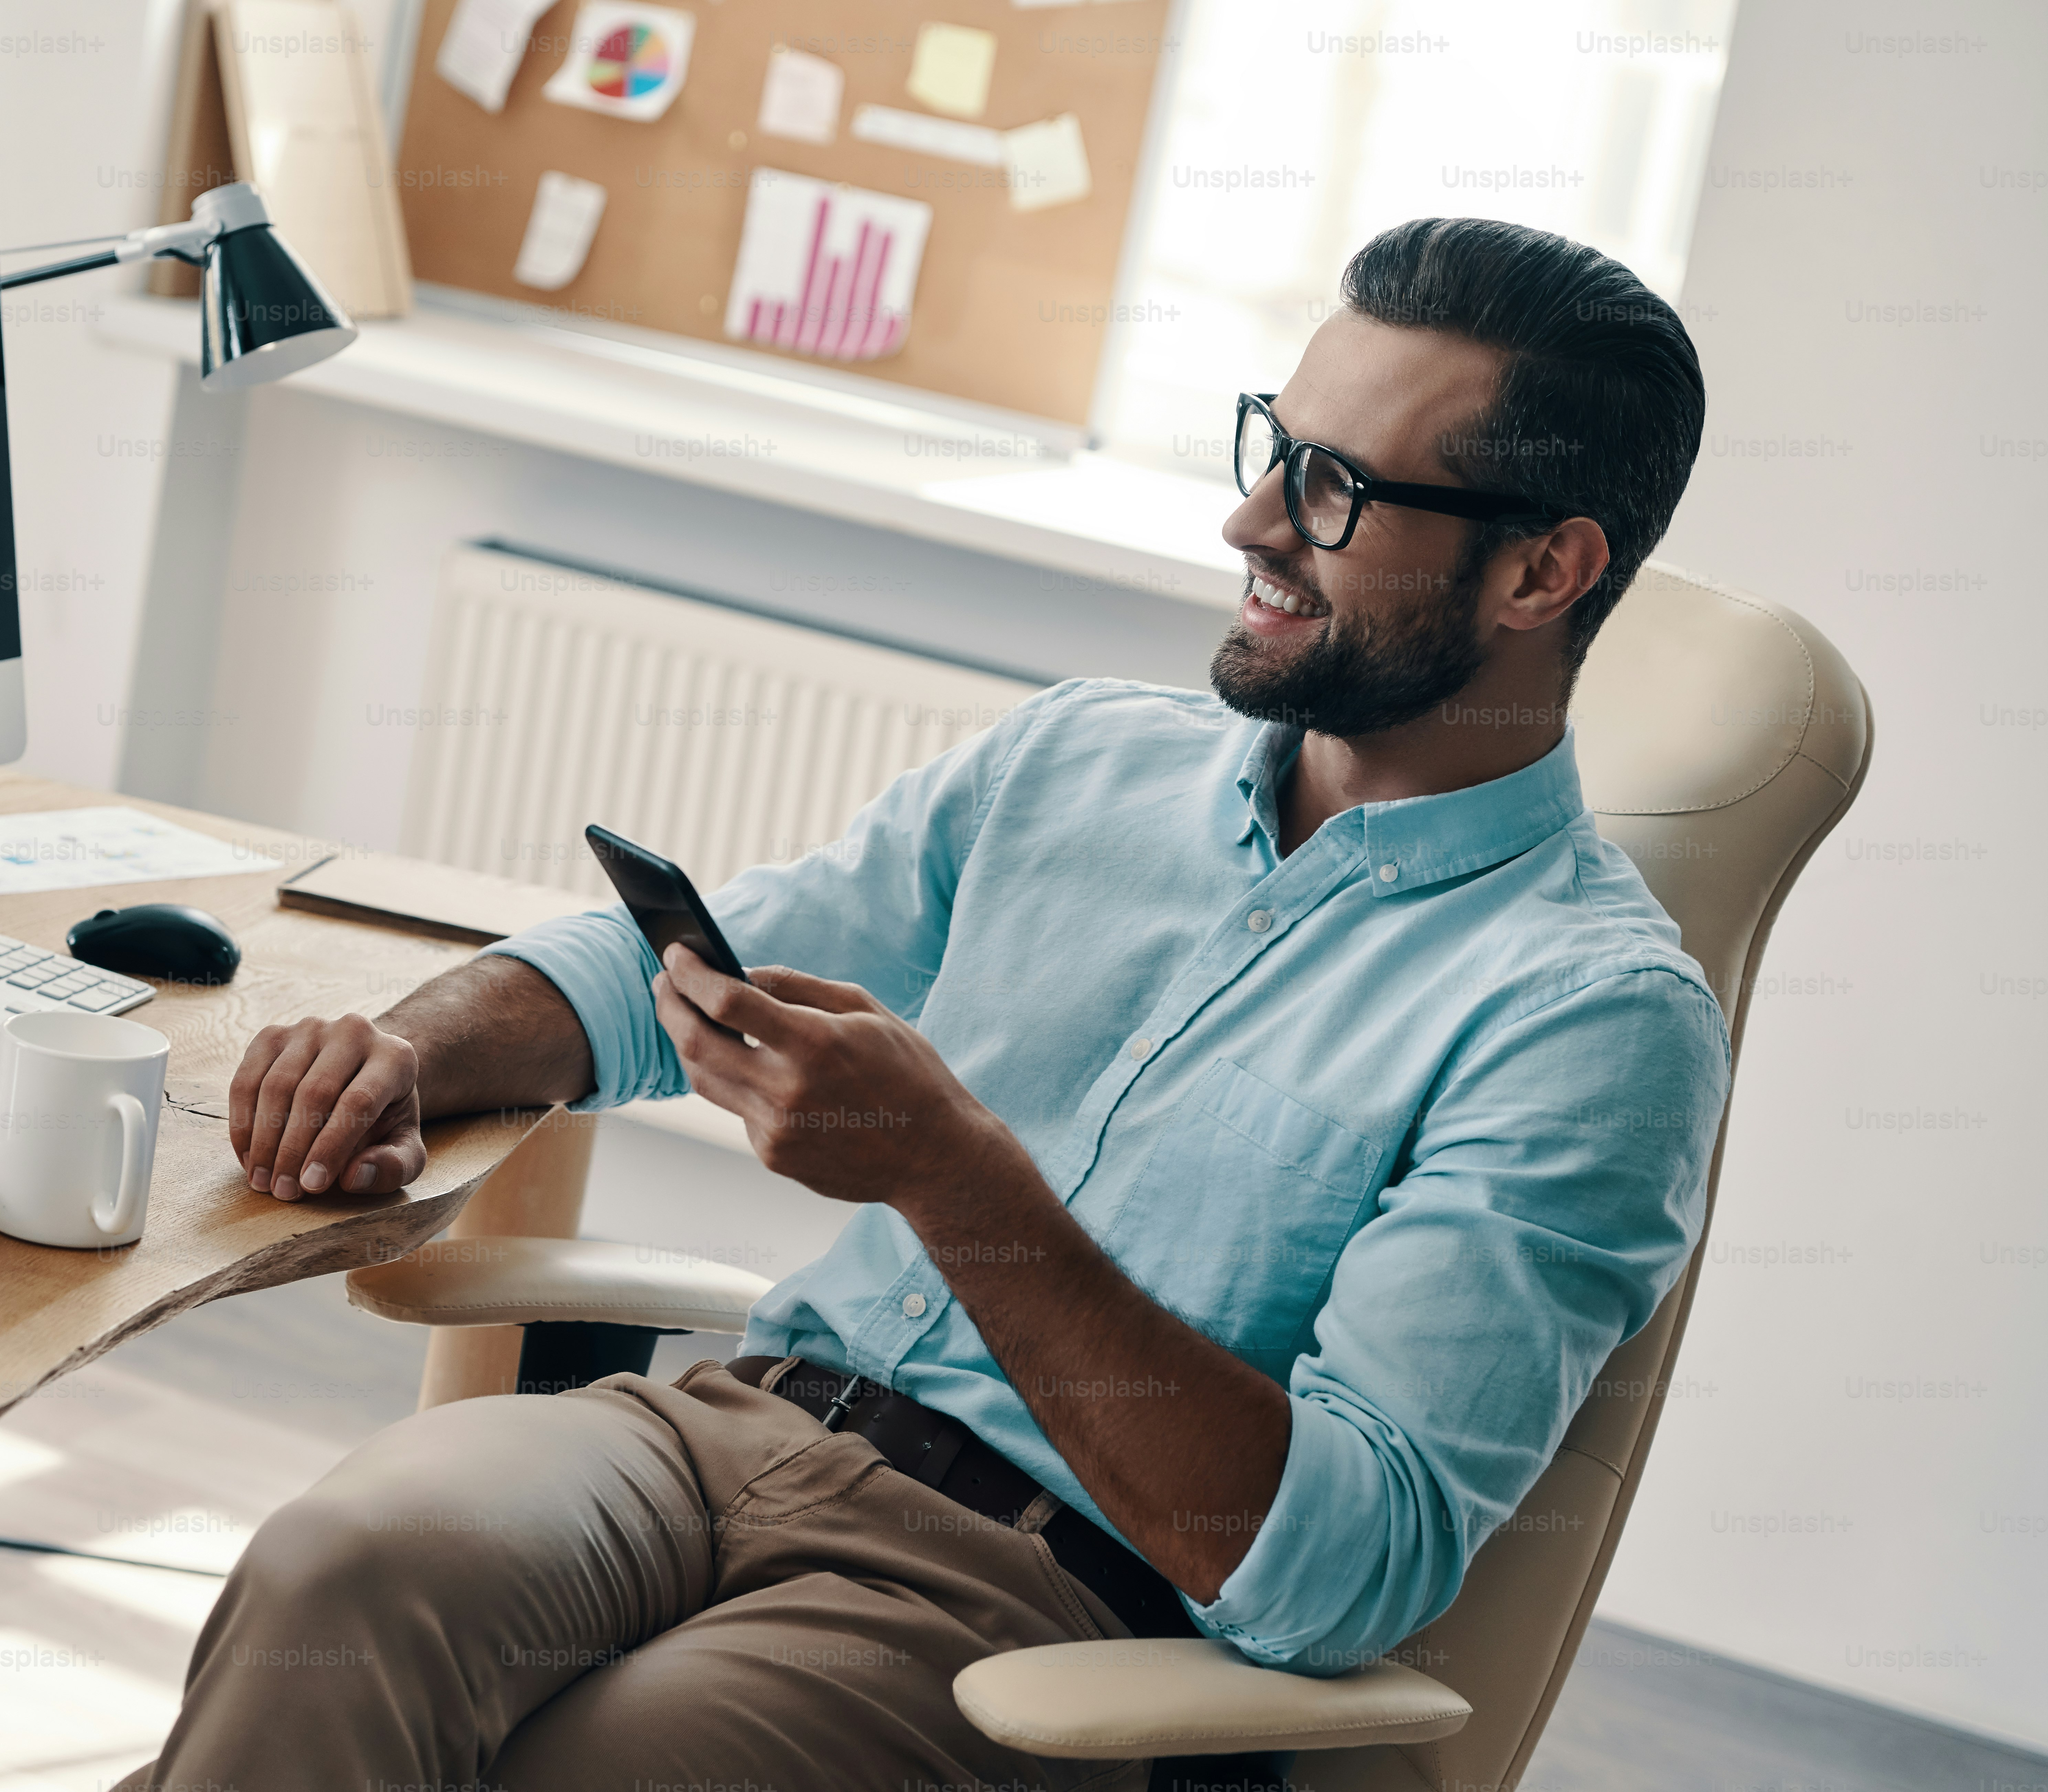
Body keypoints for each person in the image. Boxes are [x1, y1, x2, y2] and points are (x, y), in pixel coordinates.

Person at [114, 217, 1727, 1792]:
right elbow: (681, 966)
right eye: (1271, 446)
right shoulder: (1082, 759)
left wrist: (956, 1177)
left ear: (1543, 570)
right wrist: (411, 1046)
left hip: (1040, 1600)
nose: (1250, 523)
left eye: (1335, 489)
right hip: (729, 1433)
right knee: (345, 1563)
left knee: (606, 1765)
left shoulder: (1588, 1020)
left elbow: (1337, 1567)